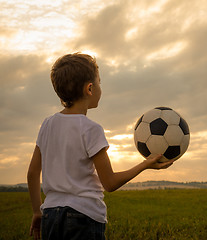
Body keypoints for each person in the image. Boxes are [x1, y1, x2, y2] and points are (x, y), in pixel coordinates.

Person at [27, 53, 174, 240]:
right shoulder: (91, 129)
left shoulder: (47, 124)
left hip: (50, 215)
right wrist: (145, 164)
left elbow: (32, 173)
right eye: (99, 82)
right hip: (83, 216)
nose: (100, 87)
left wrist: (37, 212)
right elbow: (110, 183)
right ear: (90, 88)